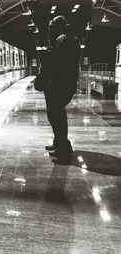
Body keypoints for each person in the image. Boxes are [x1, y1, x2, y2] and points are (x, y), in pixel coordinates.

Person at [42, 16, 80, 162]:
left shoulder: (63, 39)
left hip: (60, 83)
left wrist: (47, 79)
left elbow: (56, 63)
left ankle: (63, 147)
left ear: (58, 27)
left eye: (51, 27)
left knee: (56, 115)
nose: (49, 30)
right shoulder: (67, 38)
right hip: (64, 83)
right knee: (57, 115)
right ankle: (59, 143)